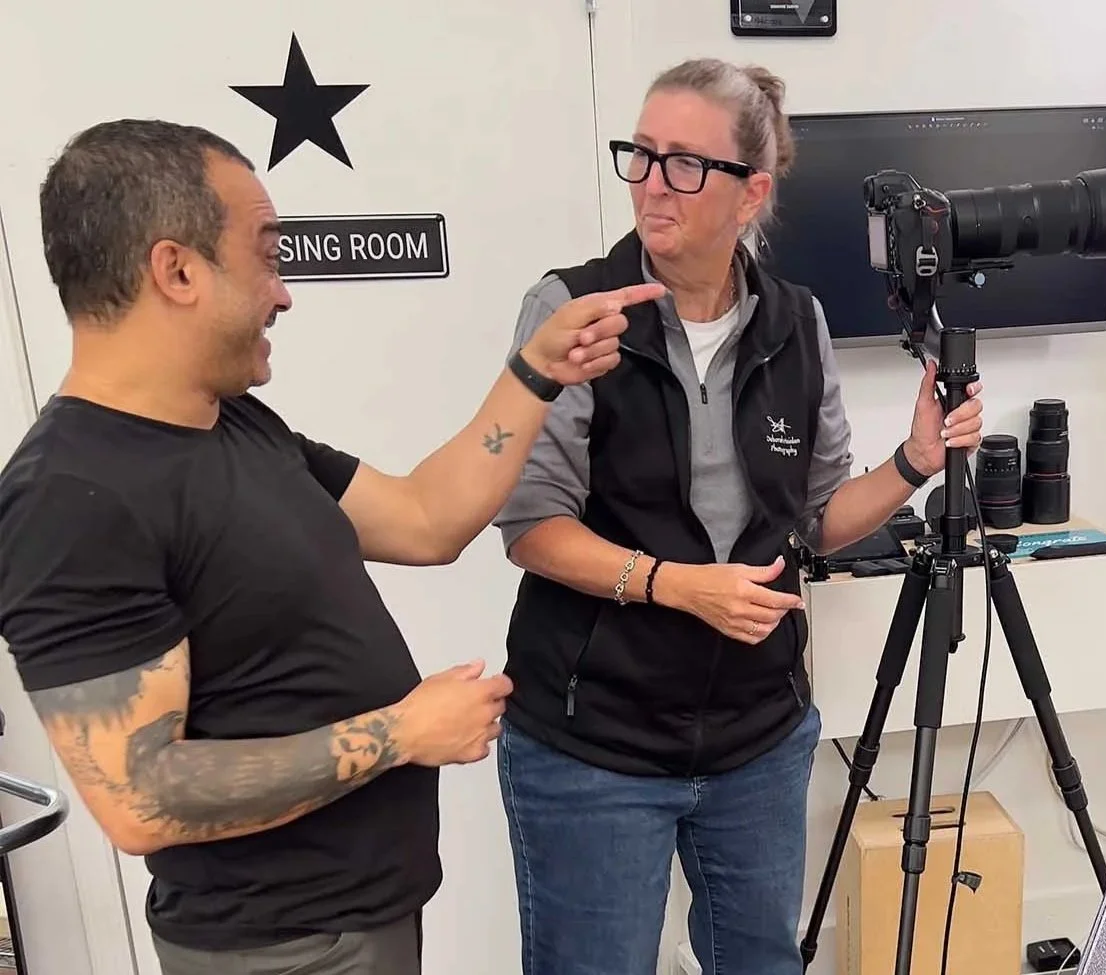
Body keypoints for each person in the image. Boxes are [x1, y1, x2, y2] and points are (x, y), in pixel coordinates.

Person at [0, 118, 663, 975]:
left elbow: (426, 516)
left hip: (358, 919)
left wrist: (537, 371)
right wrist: (399, 731)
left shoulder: (231, 422)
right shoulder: (69, 498)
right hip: (280, 949)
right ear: (177, 270)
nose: (283, 293)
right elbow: (141, 797)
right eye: (266, 255)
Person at [491, 57, 985, 975]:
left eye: (685, 163)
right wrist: (676, 587)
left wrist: (916, 459)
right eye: (639, 156)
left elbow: (819, 521)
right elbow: (531, 526)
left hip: (757, 740)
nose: (651, 184)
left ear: (750, 192)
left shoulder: (796, 322)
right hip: (593, 746)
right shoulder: (572, 309)